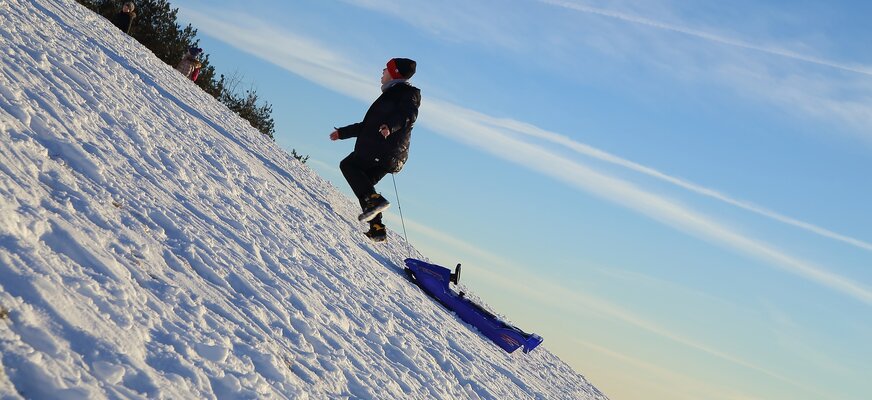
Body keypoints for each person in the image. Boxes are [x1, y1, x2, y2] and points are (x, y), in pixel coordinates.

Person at [331, 58, 421, 243]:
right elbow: (368, 126)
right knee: (364, 185)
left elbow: (408, 115)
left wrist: (391, 126)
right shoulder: (392, 94)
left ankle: (377, 204)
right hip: (387, 153)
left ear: (394, 73)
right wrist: (343, 133)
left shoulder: (405, 94)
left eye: (386, 69)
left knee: (349, 166)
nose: (382, 71)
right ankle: (377, 228)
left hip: (385, 151)